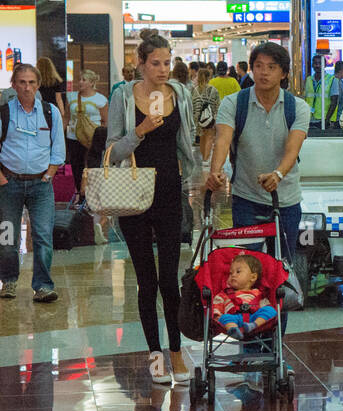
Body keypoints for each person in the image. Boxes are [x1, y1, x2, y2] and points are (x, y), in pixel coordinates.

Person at [108, 30, 199, 385]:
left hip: (168, 191)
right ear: (140, 64)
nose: (163, 70)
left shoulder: (180, 93)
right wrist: (140, 131)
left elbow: (186, 142)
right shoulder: (123, 96)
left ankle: (176, 350)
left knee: (169, 278)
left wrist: (195, 179)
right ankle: (156, 355)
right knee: (145, 279)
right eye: (156, 63)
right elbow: (113, 149)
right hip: (132, 192)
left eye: (167, 62)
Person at [207, 42, 310, 260]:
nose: (264, 72)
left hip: (286, 200)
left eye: (272, 67)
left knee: (283, 266)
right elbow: (223, 140)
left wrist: (278, 174)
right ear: (252, 68)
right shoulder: (233, 103)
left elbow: (293, 148)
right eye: (259, 66)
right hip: (246, 198)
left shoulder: (298, 107)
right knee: (247, 267)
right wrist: (215, 171)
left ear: (284, 73)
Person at [0, 63, 66, 302]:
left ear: (38, 85)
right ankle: (8, 281)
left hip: (41, 186)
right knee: (8, 237)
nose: (27, 87)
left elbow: (58, 151)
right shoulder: (3, 113)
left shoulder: (50, 113)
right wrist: (2, 181)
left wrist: (48, 175)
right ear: (13, 85)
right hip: (10, 185)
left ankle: (43, 286)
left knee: (43, 236)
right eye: (22, 82)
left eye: (31, 82)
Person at [64, 69, 108, 203]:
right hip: (73, 136)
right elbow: (66, 116)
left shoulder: (100, 99)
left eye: (84, 80)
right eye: (80, 79)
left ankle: (91, 196)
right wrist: (61, 134)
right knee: (76, 166)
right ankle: (81, 195)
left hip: (93, 138)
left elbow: (105, 120)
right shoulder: (71, 97)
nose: (80, 82)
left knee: (91, 165)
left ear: (92, 82)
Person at [211, 252, 278, 338]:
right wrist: (217, 317)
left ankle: (253, 325)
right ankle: (233, 330)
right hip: (234, 318)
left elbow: (266, 307)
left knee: (270, 310)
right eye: (231, 273)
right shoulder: (224, 294)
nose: (233, 275)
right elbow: (217, 308)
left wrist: (262, 314)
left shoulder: (258, 293)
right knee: (224, 317)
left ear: (253, 277)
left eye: (238, 272)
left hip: (253, 318)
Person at [191, 65, 221, 164]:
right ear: (209, 77)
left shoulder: (194, 90)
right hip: (209, 118)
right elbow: (217, 105)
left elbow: (191, 105)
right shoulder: (213, 90)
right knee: (209, 137)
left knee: (202, 138)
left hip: (197, 119)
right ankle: (206, 159)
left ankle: (204, 156)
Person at [34, 56, 67, 122]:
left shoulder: (36, 81)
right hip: (52, 108)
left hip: (39, 107)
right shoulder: (56, 81)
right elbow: (59, 99)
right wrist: (62, 113)